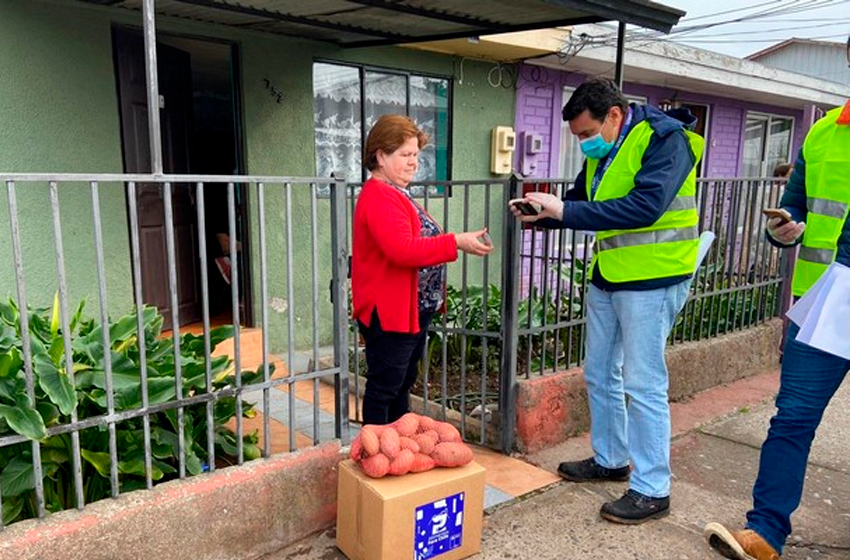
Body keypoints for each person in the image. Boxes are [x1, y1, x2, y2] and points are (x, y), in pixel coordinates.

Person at [510, 78, 704, 524]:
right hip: (610, 275)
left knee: (644, 383)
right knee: (599, 372)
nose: (583, 144)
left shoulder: (666, 141)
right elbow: (582, 201)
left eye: (585, 134)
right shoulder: (608, 150)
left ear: (613, 115)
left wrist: (566, 212)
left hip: (654, 278)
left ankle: (653, 488)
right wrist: (544, 216)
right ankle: (612, 459)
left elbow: (645, 208)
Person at [704, 91, 850, 559]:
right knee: (792, 419)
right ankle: (765, 532)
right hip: (822, 306)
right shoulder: (824, 132)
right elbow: (796, 208)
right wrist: (783, 229)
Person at [351, 114, 492, 425]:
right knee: (386, 386)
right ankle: (375, 448)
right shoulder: (380, 196)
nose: (414, 162)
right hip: (391, 312)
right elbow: (402, 250)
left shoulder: (396, 192)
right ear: (380, 156)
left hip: (410, 310)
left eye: (416, 154)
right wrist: (454, 241)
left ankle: (396, 444)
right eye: (405, 155)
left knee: (401, 383)